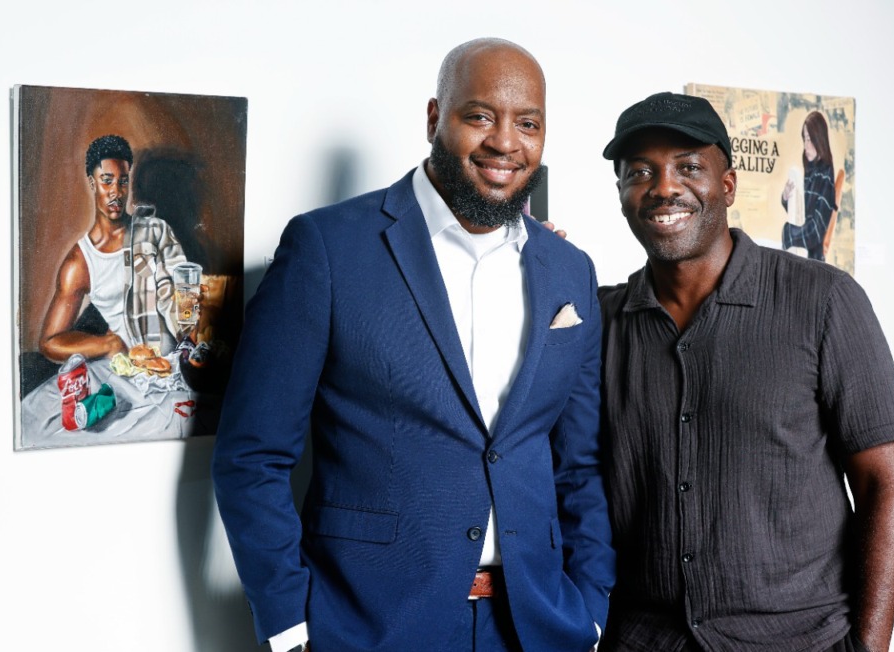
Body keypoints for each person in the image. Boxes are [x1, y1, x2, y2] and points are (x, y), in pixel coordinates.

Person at [211, 38, 615, 652]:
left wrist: (588, 610)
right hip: (373, 626)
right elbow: (252, 455)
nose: (506, 142)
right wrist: (290, 627)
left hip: (536, 626)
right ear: (435, 118)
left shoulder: (570, 270)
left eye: (527, 124)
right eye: (479, 116)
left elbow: (578, 466)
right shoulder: (327, 249)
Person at [597, 92, 894, 652]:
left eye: (689, 167)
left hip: (801, 641)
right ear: (621, 195)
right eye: (640, 172)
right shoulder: (597, 320)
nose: (664, 186)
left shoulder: (824, 300)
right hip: (645, 640)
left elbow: (883, 485)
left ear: (729, 186)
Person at [39, 134, 188, 363]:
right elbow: (50, 342)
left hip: (179, 364)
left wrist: (193, 342)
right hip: (131, 374)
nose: (116, 192)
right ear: (92, 183)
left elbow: (183, 294)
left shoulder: (156, 231)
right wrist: (108, 344)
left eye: (123, 181)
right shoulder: (81, 262)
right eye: (106, 180)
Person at [780, 111, 836, 261]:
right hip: (803, 254)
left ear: (819, 139)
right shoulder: (812, 172)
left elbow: (816, 231)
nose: (805, 145)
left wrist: (789, 232)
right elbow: (801, 211)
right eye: (804, 139)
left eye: (809, 139)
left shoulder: (824, 177)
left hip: (811, 260)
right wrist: (787, 197)